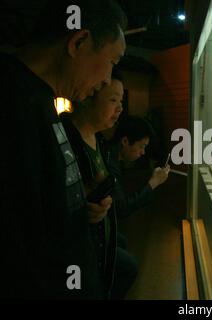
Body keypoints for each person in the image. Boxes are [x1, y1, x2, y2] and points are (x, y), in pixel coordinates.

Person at [0, 0, 127, 299]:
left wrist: (78, 203)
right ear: (79, 41)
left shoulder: (41, 99)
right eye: (112, 62)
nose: (108, 79)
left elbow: (33, 202)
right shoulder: (11, 100)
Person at [61, 71, 169, 299]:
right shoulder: (64, 139)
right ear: (89, 92)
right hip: (79, 255)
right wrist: (153, 183)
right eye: (113, 100)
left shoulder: (98, 141)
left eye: (121, 101)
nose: (120, 108)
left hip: (98, 247)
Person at [109, 115, 170, 218]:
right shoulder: (109, 163)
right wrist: (154, 182)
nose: (143, 152)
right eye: (141, 146)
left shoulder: (112, 157)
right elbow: (122, 208)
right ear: (125, 141)